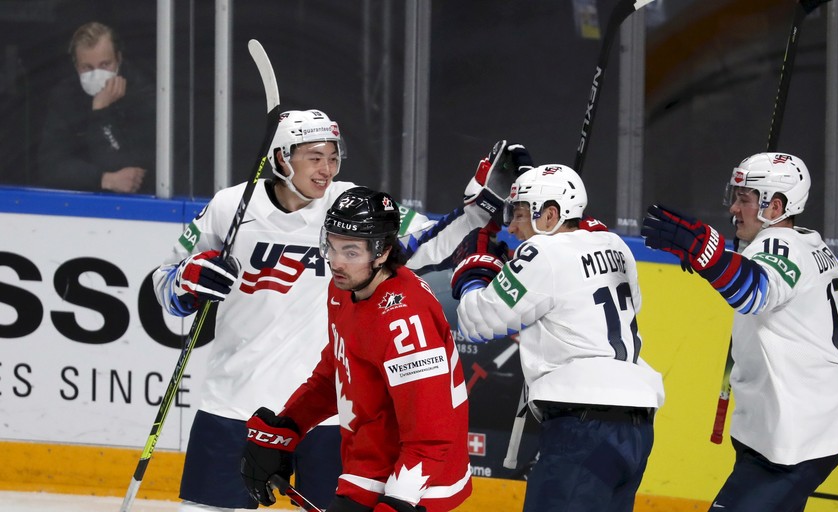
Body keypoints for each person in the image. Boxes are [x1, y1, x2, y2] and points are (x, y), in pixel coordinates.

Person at [152, 108, 526, 511]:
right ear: (282, 158)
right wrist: (186, 282)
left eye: (333, 156)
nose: (326, 169)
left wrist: (480, 209)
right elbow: (165, 283)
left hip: (329, 417)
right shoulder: (230, 207)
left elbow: (429, 242)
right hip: (233, 402)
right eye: (314, 156)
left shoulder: (351, 206)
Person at [641, 152, 838, 511]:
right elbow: (759, 273)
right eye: (736, 197)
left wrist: (706, 253)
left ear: (776, 206)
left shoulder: (782, 245)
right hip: (804, 424)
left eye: (744, 199)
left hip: (797, 435)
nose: (733, 210)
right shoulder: (809, 242)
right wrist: (722, 258)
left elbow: (754, 292)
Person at [240, 186, 472, 512]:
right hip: (370, 459)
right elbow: (334, 374)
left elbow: (430, 438)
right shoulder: (344, 290)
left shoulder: (405, 321)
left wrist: (398, 503)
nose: (336, 263)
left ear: (382, 252)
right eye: (331, 247)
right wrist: (288, 426)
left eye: (350, 253)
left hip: (416, 484)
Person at [452, 164, 665, 512]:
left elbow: (477, 321)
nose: (511, 227)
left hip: (583, 429)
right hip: (636, 429)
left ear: (550, 215)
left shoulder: (543, 255)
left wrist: (474, 270)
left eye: (520, 214)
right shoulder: (614, 245)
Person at [37, 21, 155, 194]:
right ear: (76, 66)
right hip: (79, 202)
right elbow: (50, 166)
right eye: (87, 67)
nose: (96, 74)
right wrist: (104, 179)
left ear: (119, 60)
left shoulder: (142, 93)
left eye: (105, 65)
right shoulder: (65, 96)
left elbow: (130, 172)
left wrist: (101, 112)